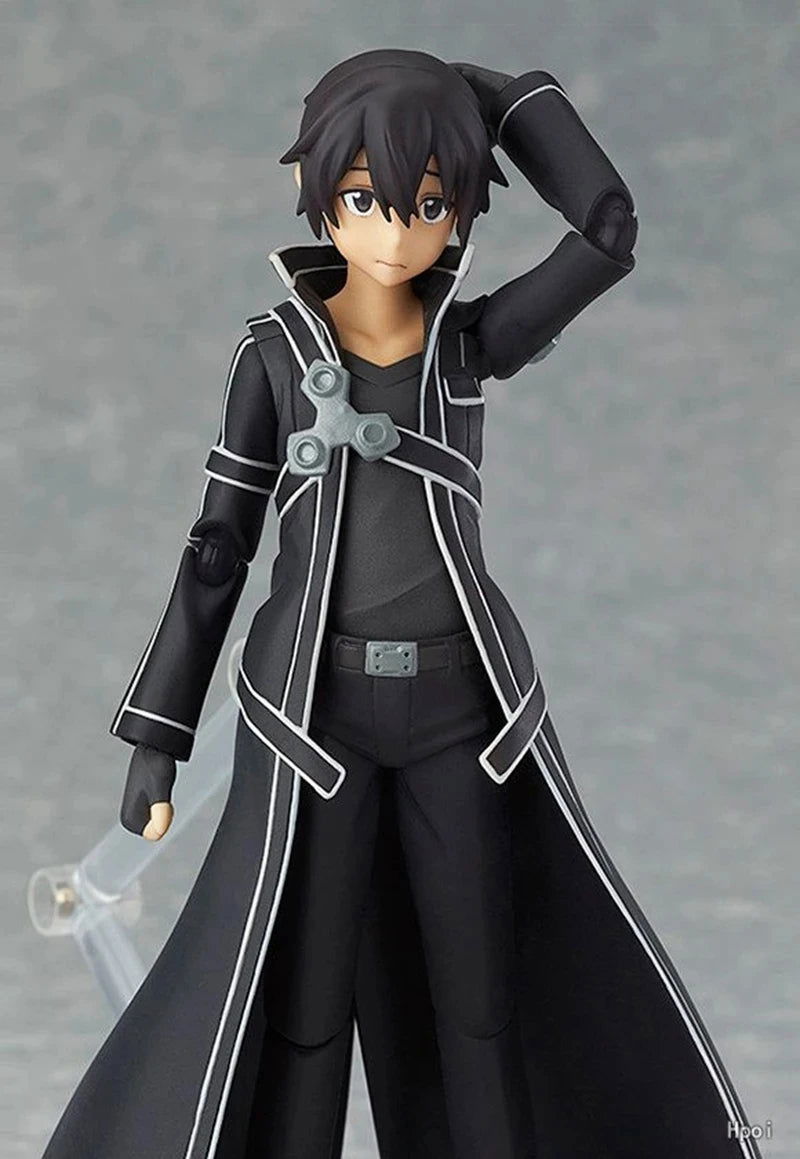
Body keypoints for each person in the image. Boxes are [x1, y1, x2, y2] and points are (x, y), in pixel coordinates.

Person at [43, 48, 761, 1159]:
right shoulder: (275, 357)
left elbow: (608, 230)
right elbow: (217, 548)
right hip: (315, 725)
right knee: (302, 1010)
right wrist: (159, 736)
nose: (393, 231)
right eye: (366, 198)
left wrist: (505, 101)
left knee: (478, 1006)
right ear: (321, 194)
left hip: (459, 720)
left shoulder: (468, 346)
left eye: (428, 203)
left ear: (459, 210)